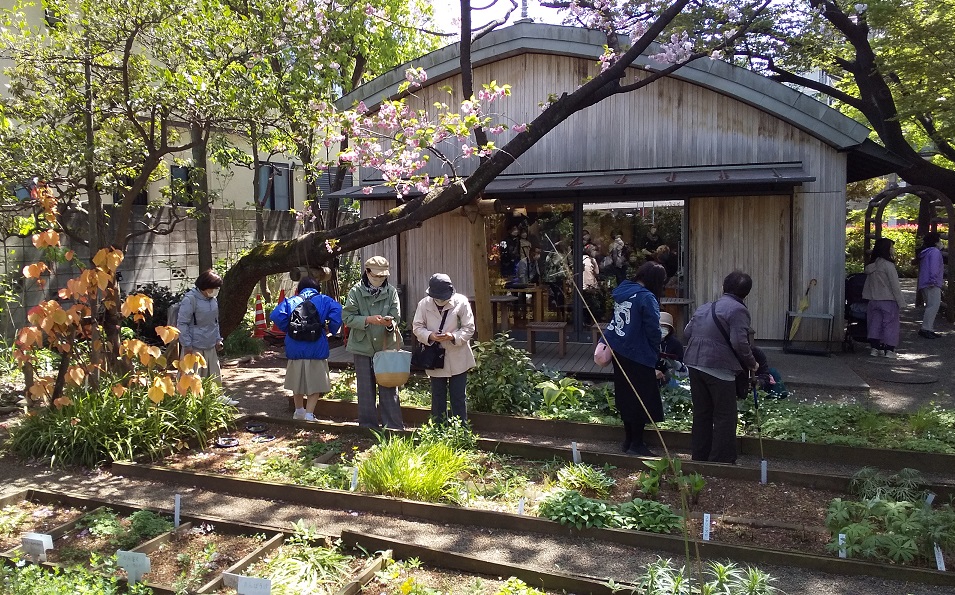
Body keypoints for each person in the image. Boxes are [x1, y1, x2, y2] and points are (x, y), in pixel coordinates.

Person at [683, 270, 758, 464]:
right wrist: (752, 363)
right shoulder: (738, 310)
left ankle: (700, 456)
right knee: (725, 415)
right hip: (719, 367)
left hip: (694, 362)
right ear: (745, 293)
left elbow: (687, 332)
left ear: (724, 287)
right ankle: (721, 461)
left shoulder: (704, 307)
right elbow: (739, 343)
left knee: (702, 413)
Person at [603, 261, 668, 456]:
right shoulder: (646, 297)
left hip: (620, 349)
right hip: (639, 352)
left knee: (626, 395)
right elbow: (653, 329)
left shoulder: (623, 291)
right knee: (641, 398)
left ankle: (629, 440)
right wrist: (657, 346)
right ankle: (637, 444)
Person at [342, 256, 403, 429]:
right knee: (365, 389)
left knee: (389, 385)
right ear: (367, 272)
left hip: (386, 346)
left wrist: (390, 323)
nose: (378, 279)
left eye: (382, 276)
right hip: (362, 345)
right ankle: (367, 426)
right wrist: (368, 319)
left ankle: (393, 426)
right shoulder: (355, 291)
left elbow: (397, 317)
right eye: (375, 276)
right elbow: (347, 317)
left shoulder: (391, 292)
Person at [270, 277, 343, 421]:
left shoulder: (292, 300)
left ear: (299, 289)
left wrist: (289, 328)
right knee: (315, 383)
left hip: (295, 347)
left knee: (297, 382)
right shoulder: (324, 300)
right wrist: (331, 330)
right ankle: (310, 414)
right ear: (317, 289)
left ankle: (299, 411)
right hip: (317, 346)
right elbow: (338, 312)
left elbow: (276, 315)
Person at [412, 274, 476, 423]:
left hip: (458, 354)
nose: (441, 299)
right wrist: (430, 336)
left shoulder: (461, 302)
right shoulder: (424, 304)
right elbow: (417, 327)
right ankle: (438, 429)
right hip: (434, 355)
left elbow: (469, 328)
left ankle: (461, 430)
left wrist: (453, 336)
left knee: (458, 396)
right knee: (438, 395)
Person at [178, 270, 237, 405]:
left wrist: (218, 339)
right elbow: (182, 323)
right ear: (205, 286)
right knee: (192, 375)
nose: (216, 290)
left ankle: (217, 397)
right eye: (214, 287)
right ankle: (189, 402)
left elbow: (215, 322)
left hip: (210, 343)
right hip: (194, 346)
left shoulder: (213, 299)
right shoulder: (190, 300)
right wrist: (187, 345)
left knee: (214, 372)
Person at [862, 238, 907, 358]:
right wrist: (901, 302)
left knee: (874, 324)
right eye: (891, 247)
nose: (893, 249)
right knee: (890, 325)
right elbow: (895, 285)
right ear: (886, 249)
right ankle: (889, 350)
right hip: (888, 300)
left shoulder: (871, 266)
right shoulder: (888, 265)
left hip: (873, 300)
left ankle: (875, 348)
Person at [916, 232, 944, 339]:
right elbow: (934, 268)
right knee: (934, 306)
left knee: (930, 305)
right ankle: (926, 328)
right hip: (932, 283)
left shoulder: (926, 252)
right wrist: (933, 280)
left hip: (925, 282)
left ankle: (928, 328)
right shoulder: (935, 252)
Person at [656, 311, 686, 389]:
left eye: (666, 327)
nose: (663, 330)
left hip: (669, 377)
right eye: (661, 326)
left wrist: (675, 364)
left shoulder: (676, 343)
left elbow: (682, 364)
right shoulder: (648, 341)